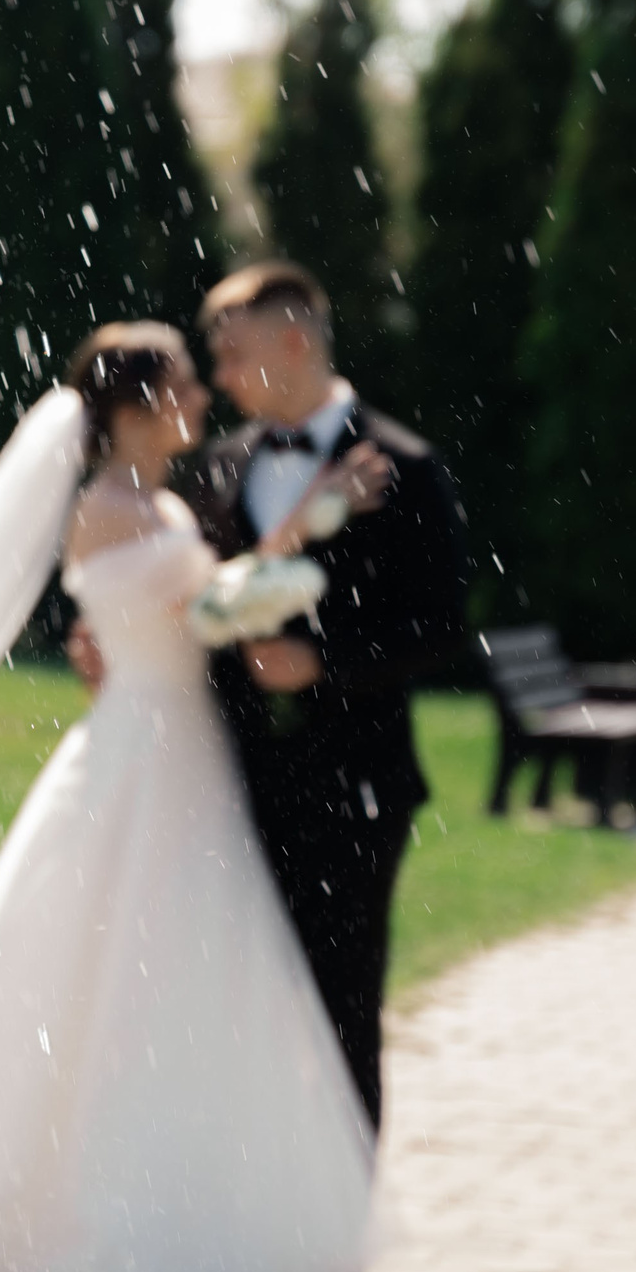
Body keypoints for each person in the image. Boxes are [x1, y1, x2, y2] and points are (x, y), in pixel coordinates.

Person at [0, 323, 377, 1272]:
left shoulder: (159, 504)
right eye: (184, 383)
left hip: (181, 750)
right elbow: (205, 611)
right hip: (138, 753)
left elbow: (191, 607)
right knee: (90, 965)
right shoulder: (110, 510)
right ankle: (36, 1196)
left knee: (186, 969)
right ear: (132, 407)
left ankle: (174, 1180)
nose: (200, 397)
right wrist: (307, 525)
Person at [178, 262, 471, 1129]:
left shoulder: (406, 468)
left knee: (342, 1009)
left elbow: (443, 625)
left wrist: (326, 662)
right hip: (226, 782)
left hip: (357, 784)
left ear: (295, 341)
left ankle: (343, 1244)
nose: (222, 376)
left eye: (234, 354)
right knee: (238, 1002)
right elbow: (194, 600)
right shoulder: (221, 467)